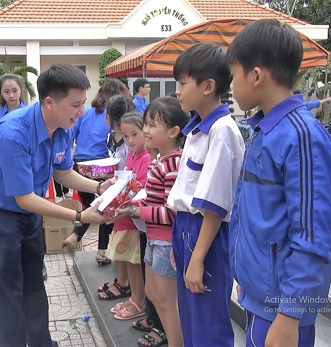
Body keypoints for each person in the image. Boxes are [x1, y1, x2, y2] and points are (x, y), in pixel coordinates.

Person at [0, 64, 113, 347]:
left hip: (29, 215)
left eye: (82, 104)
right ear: (49, 102)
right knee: (9, 294)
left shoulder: (62, 128)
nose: (81, 112)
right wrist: (78, 215)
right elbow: (23, 197)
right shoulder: (12, 132)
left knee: (34, 285)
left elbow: (63, 171)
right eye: (75, 105)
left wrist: (98, 187)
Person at [227, 19, 331, 347]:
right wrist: (247, 277)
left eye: (234, 76)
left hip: (282, 312)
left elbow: (313, 237)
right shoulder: (266, 130)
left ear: (257, 75)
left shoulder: (301, 137)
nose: (231, 86)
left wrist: (291, 314)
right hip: (260, 300)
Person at [167, 42, 245, 346]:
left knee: (209, 327)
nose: (177, 91)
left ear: (208, 86)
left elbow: (214, 205)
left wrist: (197, 258)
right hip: (187, 229)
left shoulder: (222, 130)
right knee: (191, 322)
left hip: (206, 234)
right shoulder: (197, 129)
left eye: (183, 83)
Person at [115, 97, 189, 346]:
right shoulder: (160, 161)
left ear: (173, 132)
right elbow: (151, 199)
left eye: (152, 125)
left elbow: (171, 212)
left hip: (166, 241)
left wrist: (136, 213)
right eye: (145, 123)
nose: (146, 129)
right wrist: (132, 206)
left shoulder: (174, 164)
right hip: (154, 239)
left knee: (167, 301)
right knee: (153, 293)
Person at [71, 78, 131, 265]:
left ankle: (77, 237)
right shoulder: (117, 123)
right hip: (101, 168)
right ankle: (100, 250)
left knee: (98, 207)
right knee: (104, 209)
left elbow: (70, 136)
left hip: (79, 167)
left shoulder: (86, 113)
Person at [107, 111, 151, 321]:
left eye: (135, 134)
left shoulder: (147, 157)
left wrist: (118, 201)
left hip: (136, 220)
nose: (130, 140)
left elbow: (139, 188)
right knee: (131, 262)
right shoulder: (132, 156)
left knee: (136, 263)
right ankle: (135, 298)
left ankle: (139, 301)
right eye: (126, 136)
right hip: (128, 216)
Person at [0, 73, 27, 140]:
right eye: (6, 91)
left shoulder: (29, 114)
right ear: (1, 93)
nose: (11, 95)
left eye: (15, 90)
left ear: (20, 90)